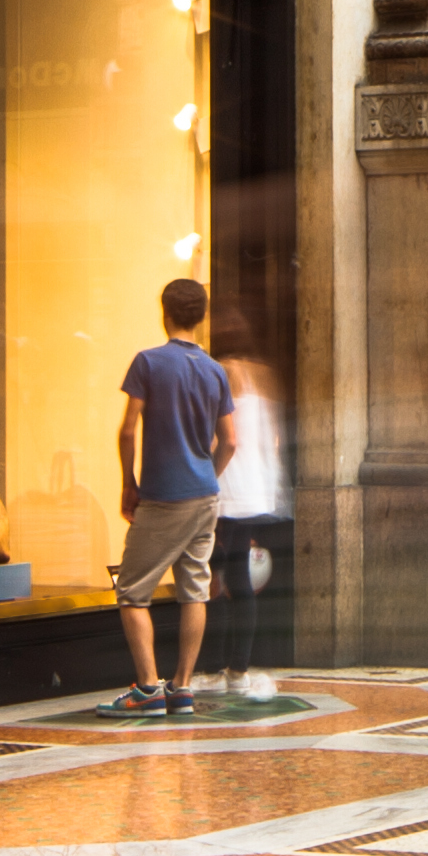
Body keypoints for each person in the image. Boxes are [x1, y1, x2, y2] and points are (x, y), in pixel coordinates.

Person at [108, 281, 237, 713]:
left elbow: (128, 429)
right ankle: (181, 687)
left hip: (163, 496)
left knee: (131, 590)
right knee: (194, 589)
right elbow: (231, 441)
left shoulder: (148, 363)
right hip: (204, 495)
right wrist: (207, 475)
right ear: (201, 317)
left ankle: (147, 688)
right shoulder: (215, 370)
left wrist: (128, 481)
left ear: (164, 312)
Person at [212, 334, 294, 705]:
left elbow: (225, 443)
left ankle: (227, 666)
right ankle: (235, 668)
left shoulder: (225, 376)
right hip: (252, 496)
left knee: (223, 581)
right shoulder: (261, 381)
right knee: (236, 581)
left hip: (227, 494)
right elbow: (270, 444)